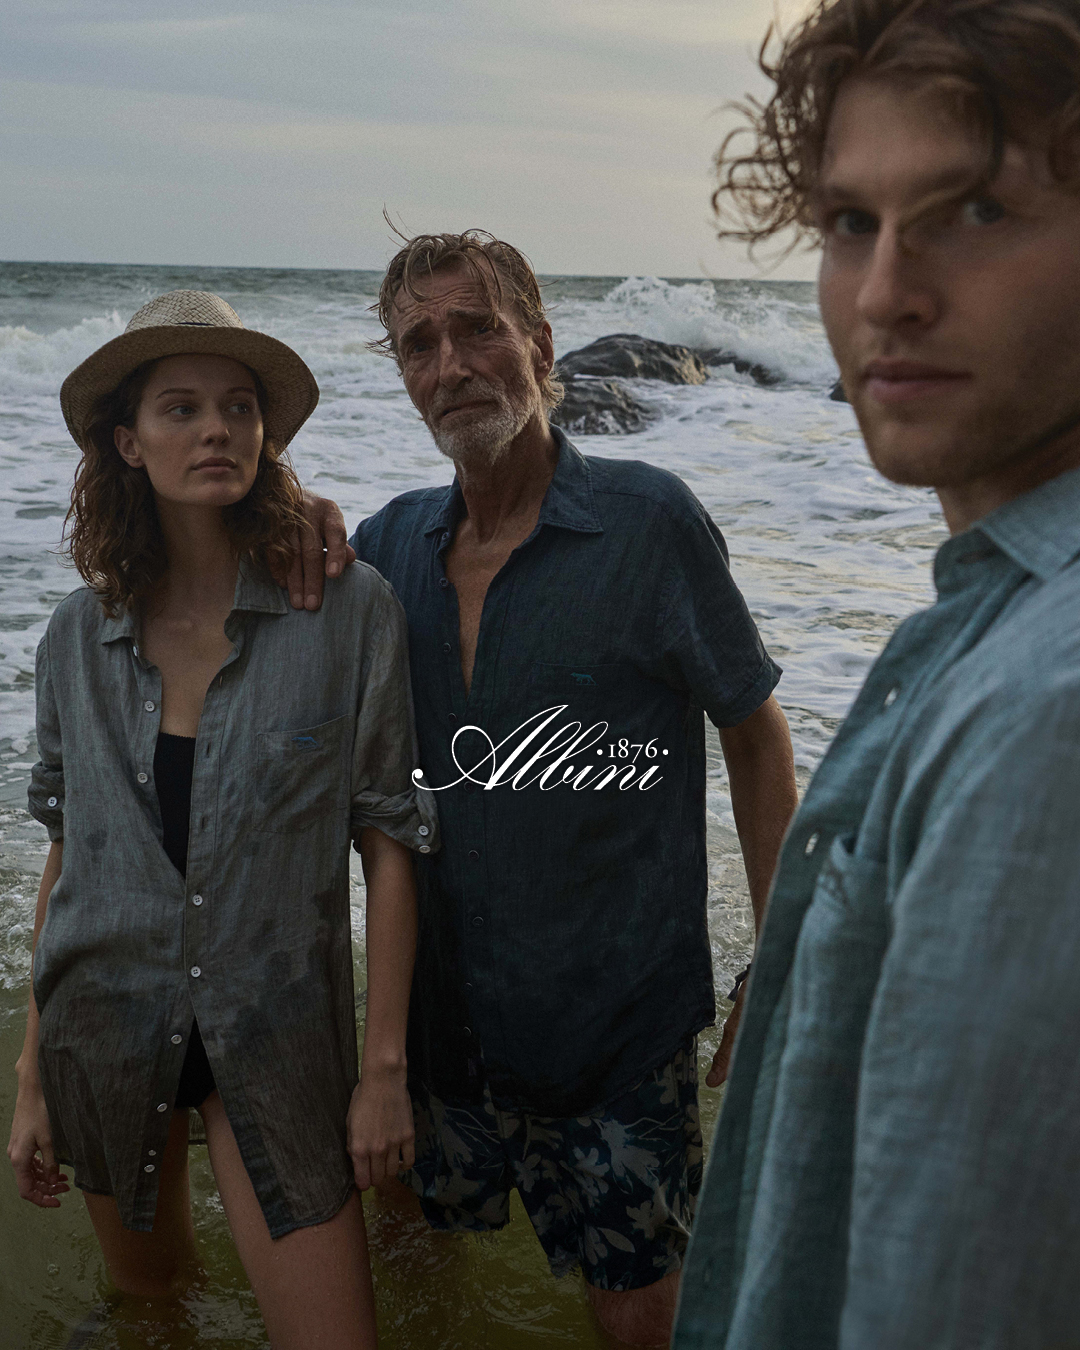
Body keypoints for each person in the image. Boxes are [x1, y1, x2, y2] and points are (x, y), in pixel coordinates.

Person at [672, 1, 1080, 1347]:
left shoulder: (1047, 711)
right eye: (852, 224)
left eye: (973, 212)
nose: (886, 291)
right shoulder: (993, 625)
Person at [311, 231, 797, 1349]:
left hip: (615, 1037)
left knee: (638, 1320)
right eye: (419, 343)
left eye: (478, 327)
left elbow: (756, 733)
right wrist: (293, 515)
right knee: (414, 1276)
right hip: (439, 1039)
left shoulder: (649, 523)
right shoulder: (388, 549)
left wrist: (778, 959)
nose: (451, 363)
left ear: (539, 341)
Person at [6, 290, 437, 1350]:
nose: (216, 430)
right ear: (127, 443)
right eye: (182, 409)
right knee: (154, 1318)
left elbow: (390, 843)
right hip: (102, 1030)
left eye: (239, 408)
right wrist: (31, 1075)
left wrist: (382, 1074)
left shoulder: (346, 611)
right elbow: (70, 848)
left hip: (277, 1035)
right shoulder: (74, 635)